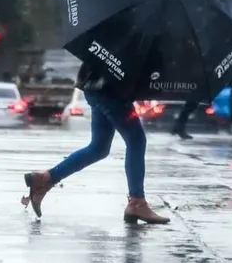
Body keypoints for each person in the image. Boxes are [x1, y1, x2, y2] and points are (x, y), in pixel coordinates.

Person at [22, 63, 169, 225]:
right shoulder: (133, 39)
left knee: (99, 147)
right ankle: (137, 203)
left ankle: (45, 179)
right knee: (136, 140)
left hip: (94, 85)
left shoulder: (111, 39)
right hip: (111, 89)